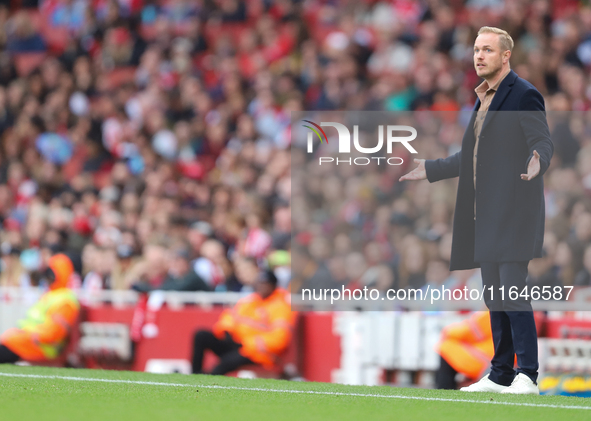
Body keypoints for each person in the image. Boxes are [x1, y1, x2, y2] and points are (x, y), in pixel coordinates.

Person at [400, 26, 554, 394]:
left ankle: (528, 375)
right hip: (486, 216)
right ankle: (501, 373)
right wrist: (433, 168)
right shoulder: (482, 99)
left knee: (513, 292)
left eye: (487, 49)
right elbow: (471, 156)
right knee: (495, 295)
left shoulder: (524, 94)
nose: (479, 56)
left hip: (515, 214)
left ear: (506, 56)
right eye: (476, 49)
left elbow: (542, 141)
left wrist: (537, 161)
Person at [191, 269, 295, 375]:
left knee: (224, 364)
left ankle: (206, 382)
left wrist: (250, 343)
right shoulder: (251, 300)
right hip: (238, 343)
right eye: (259, 283)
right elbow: (230, 317)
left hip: (257, 352)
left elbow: (280, 338)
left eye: (265, 284)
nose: (261, 286)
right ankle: (194, 375)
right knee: (201, 335)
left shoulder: (281, 306)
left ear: (273, 286)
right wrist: (226, 330)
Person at [0, 254, 79, 363]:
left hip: (42, 346)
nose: (47, 276)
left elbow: (55, 332)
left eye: (50, 272)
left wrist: (32, 336)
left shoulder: (65, 300)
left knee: (7, 345)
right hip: (28, 340)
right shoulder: (51, 294)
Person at [436, 312, 494, 389]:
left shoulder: (493, 313)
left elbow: (467, 332)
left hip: (488, 361)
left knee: (447, 347)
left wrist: (447, 331)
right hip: (504, 360)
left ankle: (445, 388)